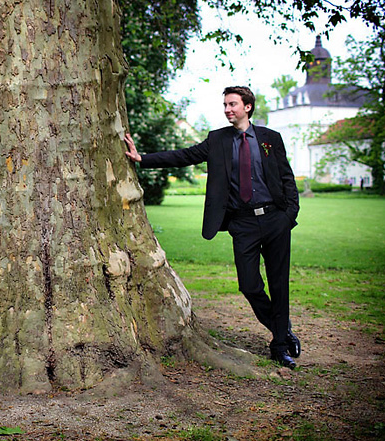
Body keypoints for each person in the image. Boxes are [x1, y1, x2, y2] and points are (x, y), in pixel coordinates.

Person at [124, 86, 301, 369]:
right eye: (225, 105)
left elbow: (286, 177)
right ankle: (282, 325)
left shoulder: (270, 139)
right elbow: (185, 156)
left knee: (279, 284)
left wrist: (289, 215)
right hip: (242, 223)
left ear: (248, 107)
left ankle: (280, 344)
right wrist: (143, 158)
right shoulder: (218, 139)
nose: (227, 109)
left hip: (274, 219)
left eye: (232, 104)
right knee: (249, 284)